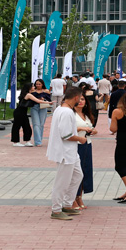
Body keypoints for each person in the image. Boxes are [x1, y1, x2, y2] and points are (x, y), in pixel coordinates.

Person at [46, 87, 87, 220]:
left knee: (78, 176)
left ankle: (68, 204)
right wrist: (80, 138)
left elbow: (67, 130)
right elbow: (66, 135)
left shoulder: (61, 109)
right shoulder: (67, 112)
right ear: (75, 98)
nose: (80, 101)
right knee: (62, 181)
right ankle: (56, 210)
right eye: (79, 98)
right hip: (65, 152)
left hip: (71, 152)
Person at [74, 92, 96, 211]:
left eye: (83, 99)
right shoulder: (71, 114)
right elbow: (68, 128)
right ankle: (73, 197)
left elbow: (90, 127)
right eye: (79, 99)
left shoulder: (86, 115)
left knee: (86, 171)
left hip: (87, 143)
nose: (81, 101)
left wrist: (92, 130)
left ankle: (79, 196)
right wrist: (82, 128)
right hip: (76, 144)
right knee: (77, 172)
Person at [25, 79, 52, 146]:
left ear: (42, 84)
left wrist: (44, 99)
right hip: (34, 107)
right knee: (36, 124)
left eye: (39, 84)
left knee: (41, 124)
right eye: (36, 84)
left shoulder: (46, 91)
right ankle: (38, 142)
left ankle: (39, 138)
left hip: (43, 107)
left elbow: (49, 100)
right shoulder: (32, 91)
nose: (38, 85)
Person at [11, 82, 34, 147]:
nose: (34, 87)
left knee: (27, 127)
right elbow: (37, 100)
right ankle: (15, 142)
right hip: (19, 112)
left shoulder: (27, 94)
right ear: (29, 87)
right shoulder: (28, 94)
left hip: (23, 113)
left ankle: (27, 141)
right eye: (33, 86)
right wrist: (48, 102)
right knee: (16, 127)